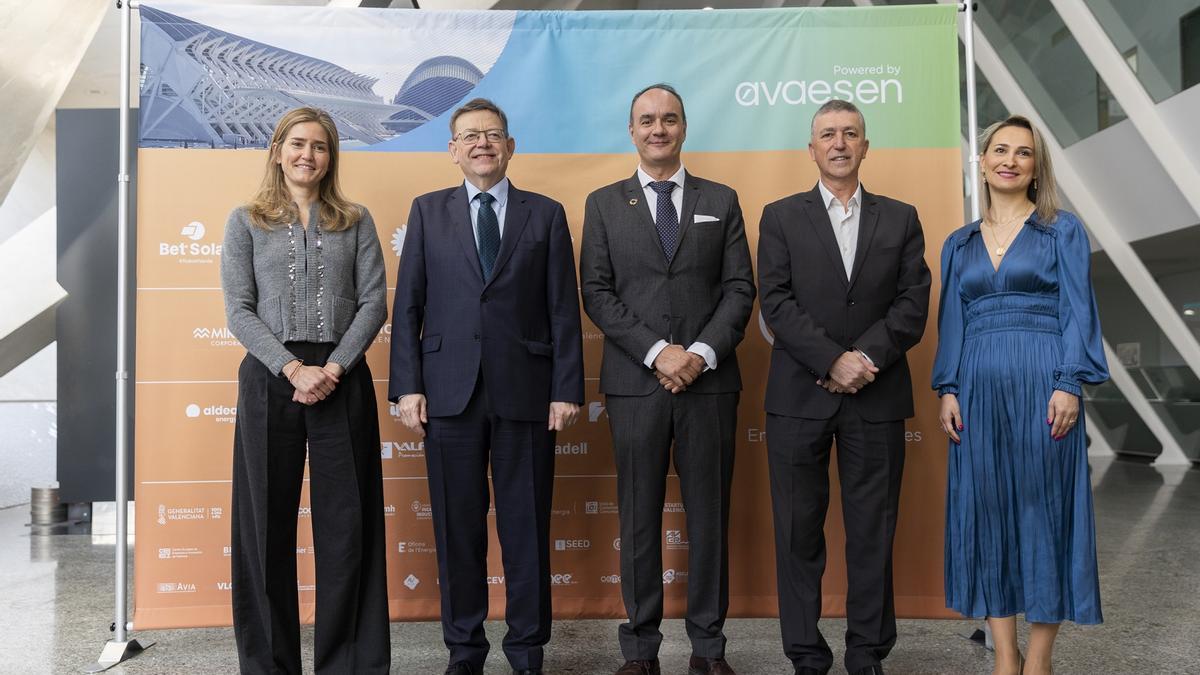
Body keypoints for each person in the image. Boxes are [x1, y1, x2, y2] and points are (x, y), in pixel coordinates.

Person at [388, 98, 584, 675]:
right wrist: (407, 386)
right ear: (452, 149)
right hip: (447, 395)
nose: (482, 144)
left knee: (526, 530)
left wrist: (566, 388)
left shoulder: (544, 214)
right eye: (469, 136)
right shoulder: (427, 212)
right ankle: (465, 650)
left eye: (493, 135)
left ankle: (527, 651)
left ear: (510, 146)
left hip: (527, 393)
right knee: (457, 532)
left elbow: (562, 310)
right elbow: (409, 308)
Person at [580, 83, 756, 675]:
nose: (659, 129)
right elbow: (596, 293)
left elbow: (740, 290)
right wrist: (658, 352)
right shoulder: (604, 204)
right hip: (636, 384)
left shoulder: (722, 199)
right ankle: (641, 650)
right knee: (639, 517)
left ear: (685, 128)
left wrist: (700, 354)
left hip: (709, 382)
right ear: (631, 130)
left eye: (669, 119)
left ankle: (708, 646)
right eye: (647, 120)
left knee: (709, 517)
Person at [757, 99, 931, 675]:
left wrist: (865, 358)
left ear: (865, 145)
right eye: (827, 135)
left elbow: (911, 304)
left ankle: (866, 653)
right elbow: (775, 302)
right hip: (798, 398)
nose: (838, 143)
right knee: (797, 534)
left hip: (876, 397)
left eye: (849, 134)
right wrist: (833, 360)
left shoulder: (901, 217)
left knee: (872, 533)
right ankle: (806, 653)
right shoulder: (780, 216)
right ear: (812, 149)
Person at [932, 115, 1108, 675]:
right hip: (978, 388)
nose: (1009, 159)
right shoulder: (958, 243)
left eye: (1023, 153)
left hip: (1044, 382)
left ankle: (1039, 659)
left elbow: (1078, 311)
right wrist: (949, 388)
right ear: (981, 162)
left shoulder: (1063, 231)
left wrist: (1068, 382)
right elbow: (951, 324)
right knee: (989, 513)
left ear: (1036, 169)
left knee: (1045, 511)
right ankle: (1004, 657)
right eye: (999, 150)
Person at [221, 106, 390, 674]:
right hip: (272, 378)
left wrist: (335, 367)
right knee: (263, 527)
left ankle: (349, 663)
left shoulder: (357, 219)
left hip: (343, 377)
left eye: (319, 146)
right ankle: (269, 665)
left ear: (330, 157)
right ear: (277, 150)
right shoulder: (245, 220)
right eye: (297, 144)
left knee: (349, 526)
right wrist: (293, 369)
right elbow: (238, 312)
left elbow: (374, 303)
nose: (307, 155)